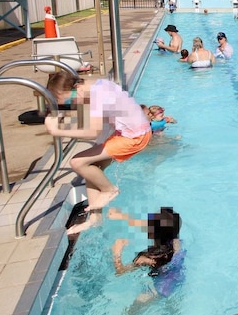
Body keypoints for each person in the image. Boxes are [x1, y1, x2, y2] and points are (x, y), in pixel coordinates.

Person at [44, 70, 152, 234]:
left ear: (76, 88)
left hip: (134, 136)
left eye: (69, 101)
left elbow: (93, 131)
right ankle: (95, 220)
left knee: (77, 162)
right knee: (91, 166)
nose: (71, 106)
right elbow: (92, 120)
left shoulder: (97, 94)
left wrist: (57, 130)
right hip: (131, 132)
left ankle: (109, 190)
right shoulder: (95, 86)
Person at [109, 206, 184, 300]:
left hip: (159, 289)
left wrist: (116, 252)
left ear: (152, 232)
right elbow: (157, 227)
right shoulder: (175, 241)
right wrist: (124, 216)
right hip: (178, 278)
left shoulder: (148, 258)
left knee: (131, 313)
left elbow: (120, 272)